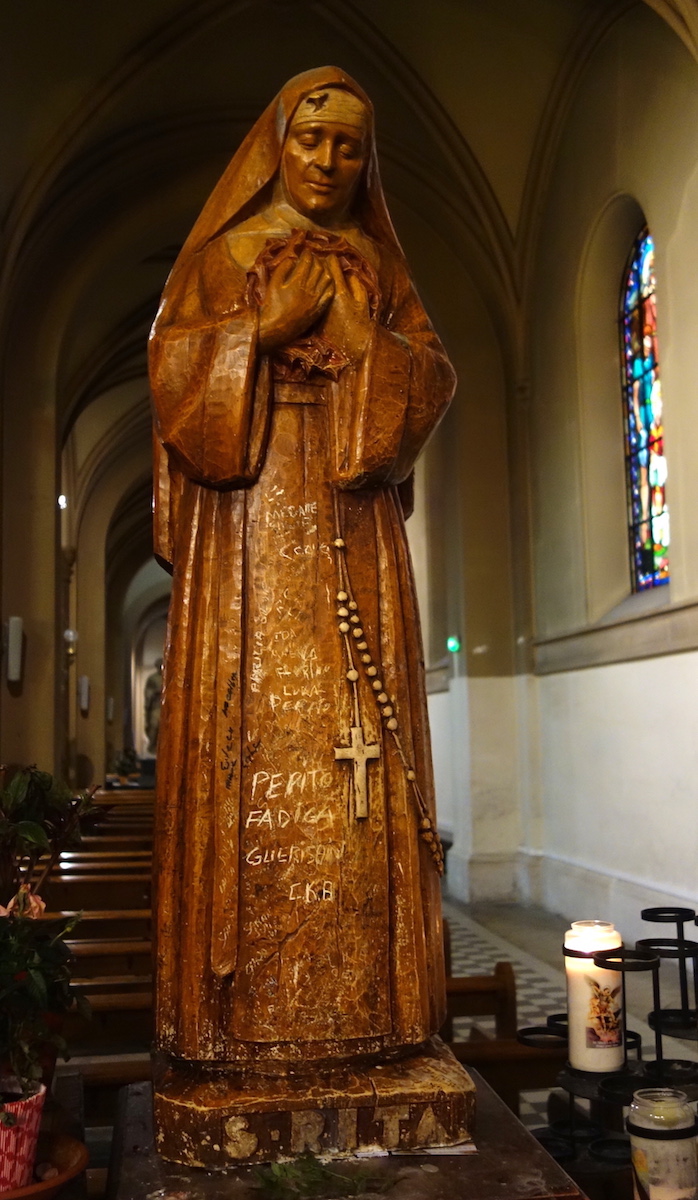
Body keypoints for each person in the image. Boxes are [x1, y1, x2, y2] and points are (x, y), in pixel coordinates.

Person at [150, 67, 455, 1073]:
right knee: (243, 739)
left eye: (351, 147)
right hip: (242, 531)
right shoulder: (221, 255)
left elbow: (430, 376)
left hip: (349, 526)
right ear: (275, 142)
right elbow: (174, 381)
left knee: (357, 759)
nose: (328, 164)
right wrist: (263, 332)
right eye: (312, 141)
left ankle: (376, 1010)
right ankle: (226, 1022)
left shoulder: (379, 263)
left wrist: (368, 343)